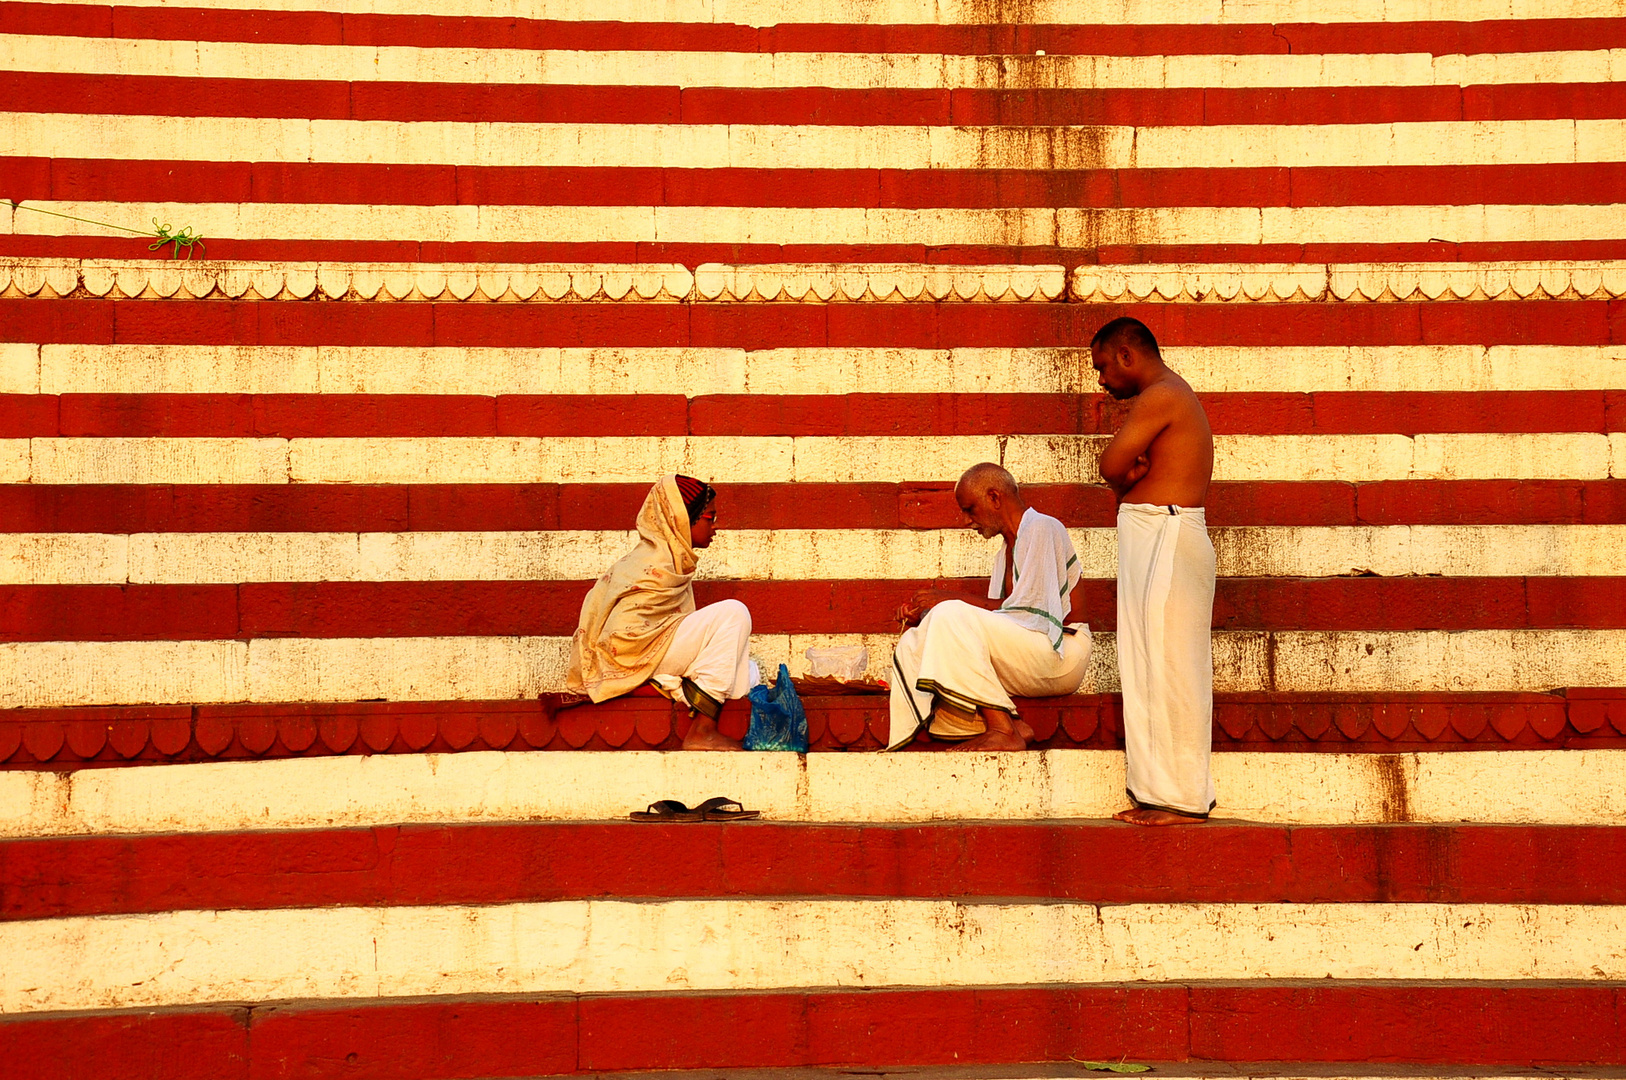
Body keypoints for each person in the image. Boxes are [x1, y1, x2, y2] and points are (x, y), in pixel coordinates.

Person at [1091, 317, 1217, 825]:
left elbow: (1110, 463)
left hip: (1168, 534)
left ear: (1126, 355)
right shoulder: (1167, 394)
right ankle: (1158, 792)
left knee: (1171, 668)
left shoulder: (1162, 394)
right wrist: (1126, 483)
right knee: (1147, 666)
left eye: (1102, 366)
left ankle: (1183, 799)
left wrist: (1123, 479)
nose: (1101, 380)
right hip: (1156, 533)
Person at [887, 463, 1092, 752]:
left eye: (970, 509)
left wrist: (947, 601)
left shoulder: (1043, 528)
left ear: (995, 498)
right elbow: (998, 620)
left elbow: (1031, 616)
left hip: (1063, 654)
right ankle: (1013, 723)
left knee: (950, 614)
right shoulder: (1004, 553)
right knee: (914, 641)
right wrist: (925, 619)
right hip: (1031, 653)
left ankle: (1002, 729)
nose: (967, 521)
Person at [566, 474, 758, 750]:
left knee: (747, 673)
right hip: (633, 654)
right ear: (682, 518)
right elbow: (623, 634)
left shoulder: (670, 558)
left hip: (650, 649)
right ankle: (702, 730)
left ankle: (663, 682)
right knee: (735, 613)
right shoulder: (656, 562)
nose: (716, 527)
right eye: (710, 518)